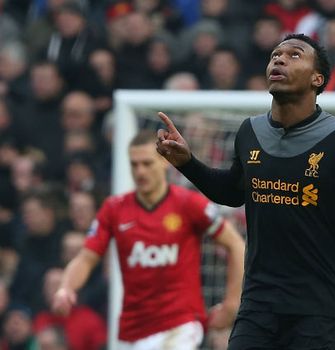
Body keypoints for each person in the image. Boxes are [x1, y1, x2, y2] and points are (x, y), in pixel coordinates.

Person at [156, 33, 335, 349]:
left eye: (295, 54)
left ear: (318, 79)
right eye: (275, 54)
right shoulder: (250, 132)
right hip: (259, 306)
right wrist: (188, 163)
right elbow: (233, 194)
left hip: (321, 311)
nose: (280, 59)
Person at [52, 132, 246, 349]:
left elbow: (236, 244)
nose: (140, 171)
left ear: (164, 162)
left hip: (181, 324)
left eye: (146, 163)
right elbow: (86, 258)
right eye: (134, 165)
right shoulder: (114, 209)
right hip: (135, 329)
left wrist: (232, 303)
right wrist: (66, 288)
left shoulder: (189, 204)